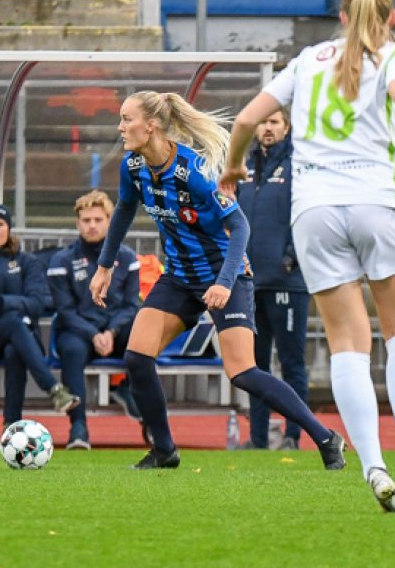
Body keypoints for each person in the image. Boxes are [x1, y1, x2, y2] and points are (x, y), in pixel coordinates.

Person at [220, 0, 395, 512]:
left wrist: (232, 166)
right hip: (377, 202)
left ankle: (372, 466)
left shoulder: (307, 59)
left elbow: (249, 117)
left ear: (341, 16)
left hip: (316, 211)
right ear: (390, 18)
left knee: (348, 343)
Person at [88, 91, 347, 473]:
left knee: (242, 372)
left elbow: (239, 225)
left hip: (226, 274)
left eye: (127, 119)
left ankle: (325, 437)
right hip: (178, 277)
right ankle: (164, 449)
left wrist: (225, 283)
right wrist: (104, 266)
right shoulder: (133, 166)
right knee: (137, 358)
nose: (120, 126)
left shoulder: (193, 170)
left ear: (152, 125)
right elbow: (125, 208)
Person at [0, 202, 80, 428]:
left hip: (24, 335)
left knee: (14, 350)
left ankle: (10, 425)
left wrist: (1, 303)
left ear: (9, 229)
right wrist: (6, 310)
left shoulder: (26, 262)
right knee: (13, 324)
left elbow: (37, 303)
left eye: (0, 224)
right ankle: (53, 388)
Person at [233, 108, 311, 451]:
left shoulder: (297, 166)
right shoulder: (244, 167)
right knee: (255, 365)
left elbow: (305, 213)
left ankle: (294, 435)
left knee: (292, 361)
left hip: (286, 281)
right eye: (263, 122)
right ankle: (259, 437)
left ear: (286, 127)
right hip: (251, 282)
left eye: (274, 122)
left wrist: (290, 257)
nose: (267, 128)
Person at [47, 190, 140, 449]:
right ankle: (78, 428)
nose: (92, 225)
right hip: (79, 330)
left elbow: (132, 305)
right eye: (86, 220)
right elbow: (64, 311)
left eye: (98, 219)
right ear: (78, 223)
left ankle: (139, 404)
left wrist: (111, 331)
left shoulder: (127, 258)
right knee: (72, 349)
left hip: (117, 329)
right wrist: (93, 334)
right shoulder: (61, 260)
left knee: (143, 332)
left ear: (109, 221)